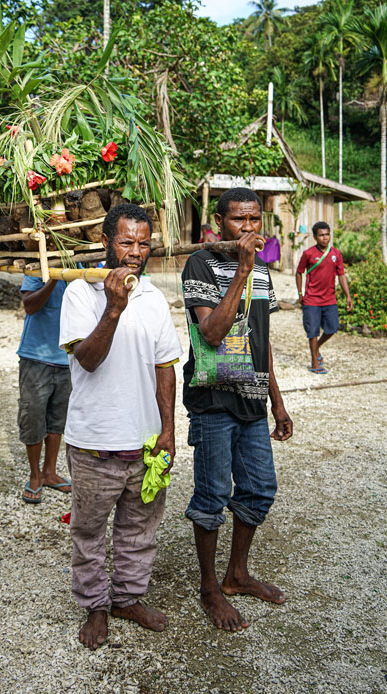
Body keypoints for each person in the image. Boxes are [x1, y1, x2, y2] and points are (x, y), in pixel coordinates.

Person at [59, 203, 182, 650]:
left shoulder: (152, 296)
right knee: (89, 532)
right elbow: (87, 360)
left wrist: (167, 430)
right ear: (107, 242)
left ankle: (127, 599)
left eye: (143, 243)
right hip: (94, 441)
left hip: (146, 442)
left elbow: (165, 366)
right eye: (126, 242)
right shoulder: (80, 292)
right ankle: (95, 605)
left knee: (139, 529)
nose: (135, 252)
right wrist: (113, 307)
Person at [182, 187, 293, 633]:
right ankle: (210, 587)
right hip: (212, 399)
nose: (248, 228)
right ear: (219, 222)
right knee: (211, 497)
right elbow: (211, 332)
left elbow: (260, 340)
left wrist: (278, 402)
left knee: (260, 489)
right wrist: (241, 270)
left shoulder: (263, 270)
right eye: (238, 220)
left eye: (254, 220)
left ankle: (237, 575)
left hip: (251, 397)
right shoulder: (201, 263)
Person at [17, 273, 72, 504]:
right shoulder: (36, 269)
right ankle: (35, 475)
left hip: (67, 357)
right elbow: (29, 306)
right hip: (36, 356)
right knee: (33, 416)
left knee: (57, 419)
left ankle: (49, 472)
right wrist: (53, 279)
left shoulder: (80, 267)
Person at [296, 221, 353, 373]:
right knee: (312, 331)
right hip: (311, 300)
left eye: (327, 234)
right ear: (315, 237)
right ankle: (315, 362)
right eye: (321, 235)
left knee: (333, 327)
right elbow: (299, 272)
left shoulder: (336, 254)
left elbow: (341, 275)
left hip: (330, 299)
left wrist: (348, 296)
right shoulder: (308, 254)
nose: (325, 238)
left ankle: (317, 349)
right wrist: (300, 293)